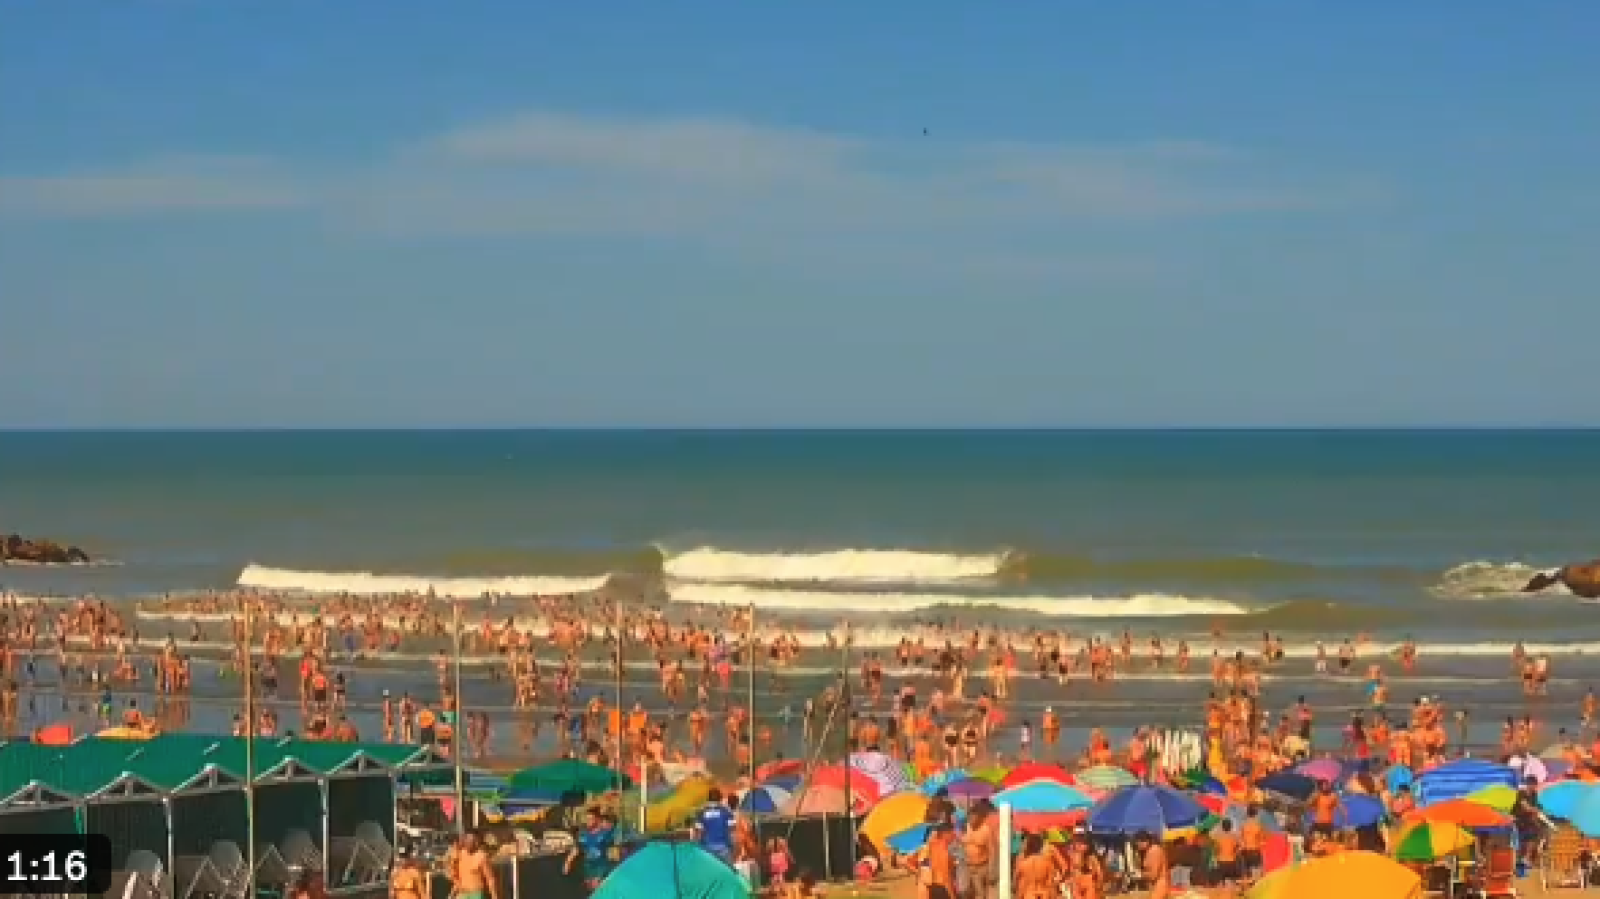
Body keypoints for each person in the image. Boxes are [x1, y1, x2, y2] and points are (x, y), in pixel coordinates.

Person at [564, 808, 617, 890]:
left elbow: (615, 846)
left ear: (597, 820)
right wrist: (567, 863)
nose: (588, 821)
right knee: (590, 888)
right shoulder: (583, 833)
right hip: (588, 866)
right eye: (586, 819)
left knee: (596, 887)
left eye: (590, 819)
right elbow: (576, 849)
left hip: (602, 865)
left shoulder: (606, 832)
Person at [448, 832, 499, 899]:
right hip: (462, 893)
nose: (468, 843)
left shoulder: (481, 856)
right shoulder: (459, 855)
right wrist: (452, 893)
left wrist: (494, 896)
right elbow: (453, 875)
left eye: (471, 841)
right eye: (467, 840)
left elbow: (490, 878)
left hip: (476, 893)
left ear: (476, 842)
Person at [694, 787, 736, 863]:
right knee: (726, 872)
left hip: (707, 849)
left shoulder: (701, 812)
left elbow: (698, 833)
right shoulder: (726, 811)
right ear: (720, 799)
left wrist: (698, 847)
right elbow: (732, 831)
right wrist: (733, 847)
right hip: (724, 848)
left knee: (710, 873)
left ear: (708, 799)